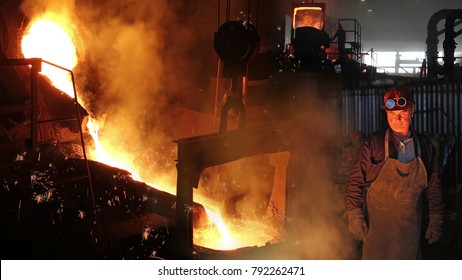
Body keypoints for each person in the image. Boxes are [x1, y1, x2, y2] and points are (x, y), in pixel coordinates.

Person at [345, 87, 444, 259]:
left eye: (402, 113)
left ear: (412, 111)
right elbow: (355, 181)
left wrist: (436, 220)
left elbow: (434, 187)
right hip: (377, 233)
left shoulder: (425, 147)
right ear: (386, 115)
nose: (397, 119)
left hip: (410, 235)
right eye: (392, 115)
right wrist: (354, 216)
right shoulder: (373, 145)